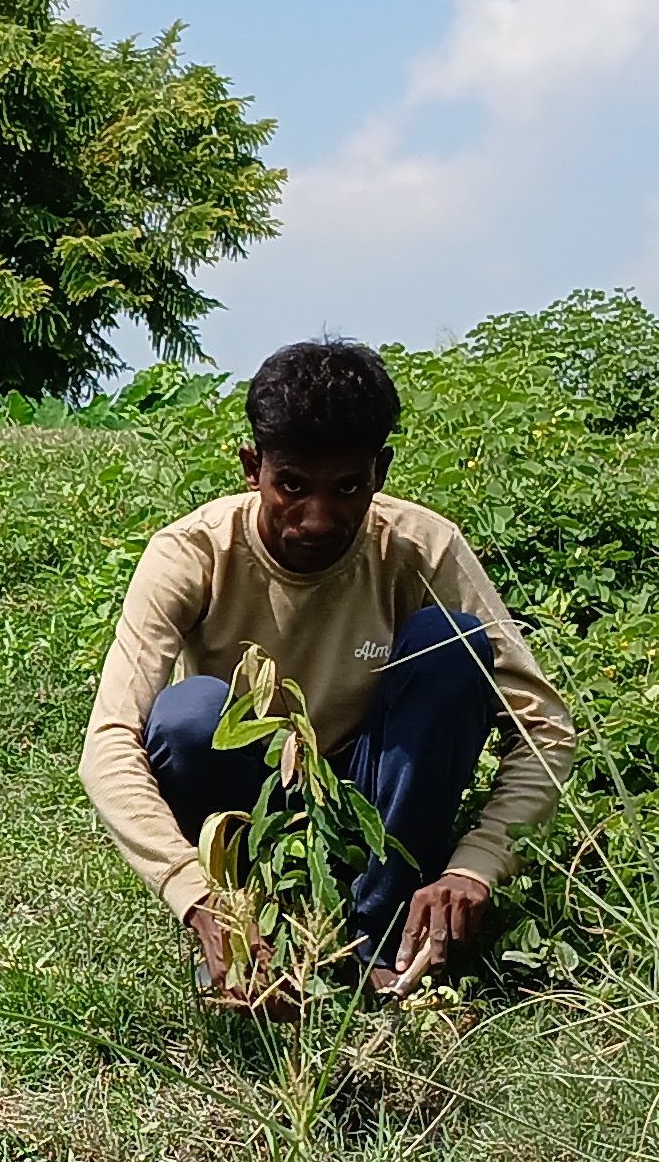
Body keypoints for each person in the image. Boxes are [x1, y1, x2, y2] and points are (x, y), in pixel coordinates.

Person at [81, 340, 576, 998]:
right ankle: (252, 923)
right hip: (254, 806)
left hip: (377, 806)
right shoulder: (192, 553)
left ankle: (383, 929)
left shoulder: (422, 547)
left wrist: (476, 865)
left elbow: (542, 728)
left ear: (381, 472)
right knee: (190, 716)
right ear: (252, 468)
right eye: (292, 486)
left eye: (348, 488)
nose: (317, 519)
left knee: (452, 642)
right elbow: (110, 741)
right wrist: (196, 896)